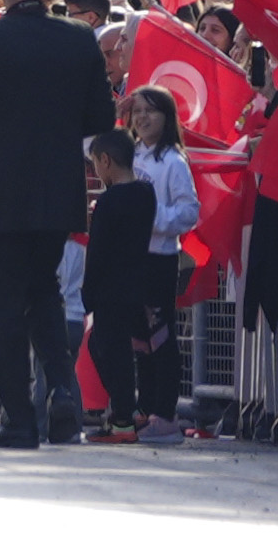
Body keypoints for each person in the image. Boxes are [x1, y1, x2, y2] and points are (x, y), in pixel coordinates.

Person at [0, 0, 116, 449]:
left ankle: (18, 418)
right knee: (45, 293)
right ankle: (63, 394)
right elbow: (101, 120)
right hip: (56, 188)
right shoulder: (79, 40)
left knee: (1, 306)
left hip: (0, 190)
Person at [120, 85, 201, 442]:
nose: (143, 118)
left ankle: (166, 413)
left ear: (167, 117)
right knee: (138, 338)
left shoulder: (173, 161)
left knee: (161, 338)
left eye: (151, 111)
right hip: (131, 259)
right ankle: (145, 407)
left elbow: (189, 212)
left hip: (160, 260)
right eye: (138, 111)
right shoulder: (131, 154)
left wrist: (151, 217)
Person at [78, 131, 161, 443]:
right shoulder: (146, 194)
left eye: (95, 165)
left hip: (110, 288)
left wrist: (88, 294)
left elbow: (98, 251)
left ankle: (123, 419)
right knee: (127, 350)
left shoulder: (109, 201)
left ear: (105, 161)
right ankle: (132, 411)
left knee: (108, 349)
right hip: (139, 282)